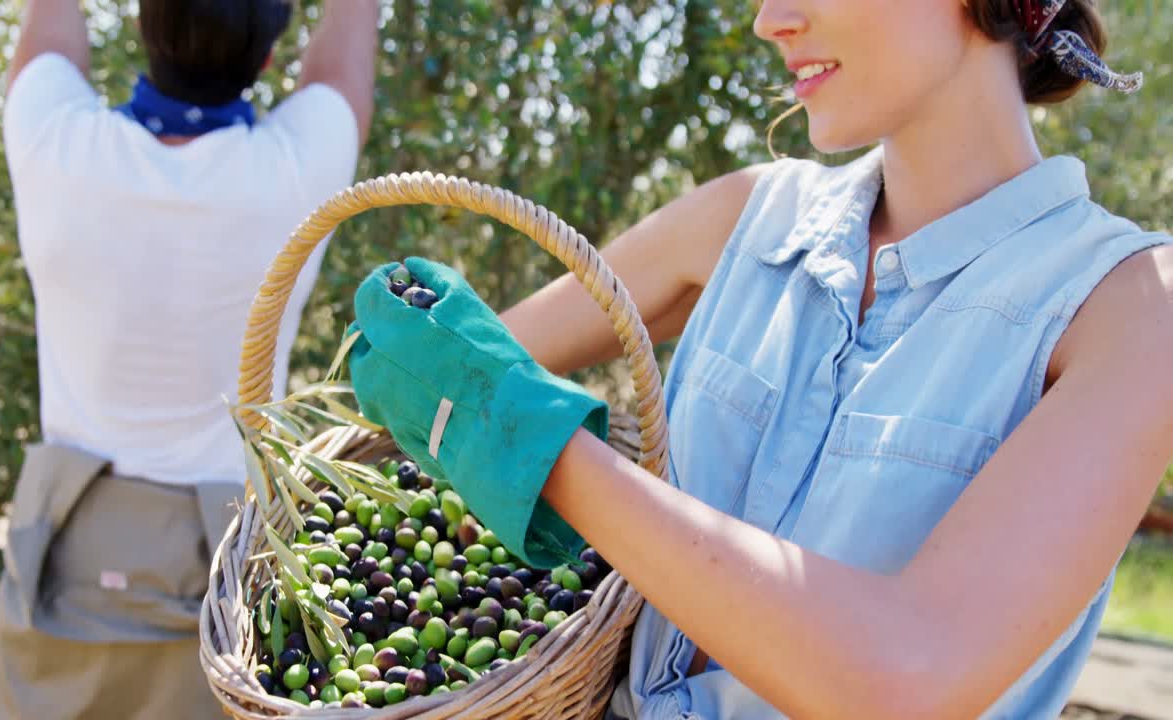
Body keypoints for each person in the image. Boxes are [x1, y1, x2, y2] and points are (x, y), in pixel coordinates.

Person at [346, 1, 1173, 717]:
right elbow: (456, 370)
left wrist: (542, 450)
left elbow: (908, 678)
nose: (768, 21)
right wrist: (404, 356)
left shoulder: (1130, 309)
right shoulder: (745, 217)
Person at [0, 1, 377, 718]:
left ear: (141, 27)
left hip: (66, 545)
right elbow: (345, 52)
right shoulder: (293, 175)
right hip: (221, 562)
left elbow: (50, 33)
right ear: (265, 63)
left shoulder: (56, 146)